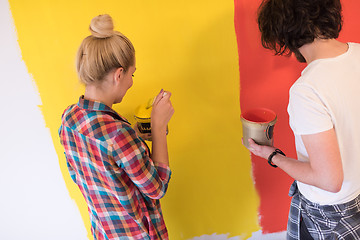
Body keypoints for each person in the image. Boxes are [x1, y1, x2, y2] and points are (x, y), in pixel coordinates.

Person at [248, 0, 360, 239]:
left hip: (330, 211)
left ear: (284, 32)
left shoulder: (308, 89)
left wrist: (271, 156)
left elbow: (329, 180)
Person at [58, 14, 174, 239]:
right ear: (119, 74)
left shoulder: (69, 119)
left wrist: (136, 141)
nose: (131, 81)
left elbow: (81, 173)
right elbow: (157, 188)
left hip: (104, 232)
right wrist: (159, 127)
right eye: (132, 73)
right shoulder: (118, 134)